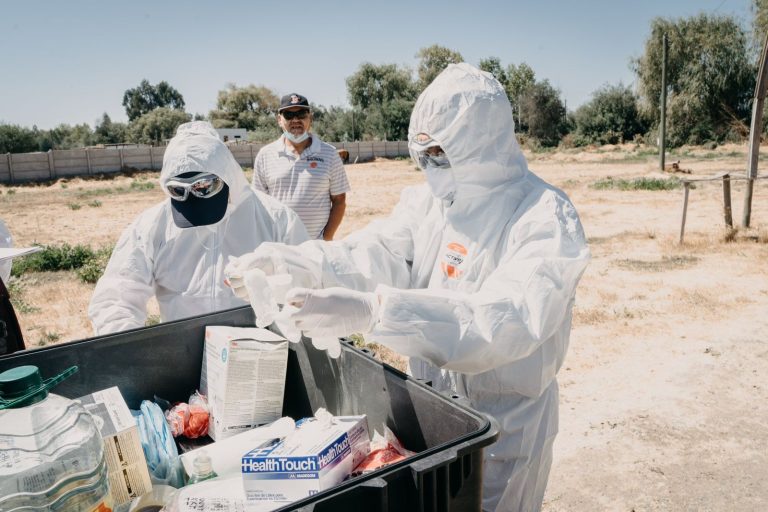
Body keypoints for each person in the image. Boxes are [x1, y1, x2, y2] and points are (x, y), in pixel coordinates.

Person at [226, 63, 590, 511]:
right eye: (425, 154)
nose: (432, 165)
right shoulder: (430, 204)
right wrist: (295, 262)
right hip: (431, 410)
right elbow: (373, 252)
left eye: (441, 151)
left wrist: (376, 312)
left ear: (481, 146)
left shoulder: (543, 217)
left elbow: (503, 322)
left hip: (505, 429)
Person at [88, 121, 309, 335]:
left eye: (204, 186)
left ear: (228, 176)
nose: (194, 198)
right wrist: (128, 345)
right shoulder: (151, 225)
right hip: (180, 354)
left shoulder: (276, 218)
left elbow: (309, 283)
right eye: (178, 190)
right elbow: (117, 295)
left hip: (258, 354)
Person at [251, 93, 350, 241]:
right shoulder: (265, 155)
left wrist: (326, 240)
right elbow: (258, 205)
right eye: (289, 115)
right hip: (278, 246)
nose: (296, 120)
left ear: (310, 118)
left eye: (301, 114)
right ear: (279, 120)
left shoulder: (329, 154)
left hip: (316, 248)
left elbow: (339, 200)